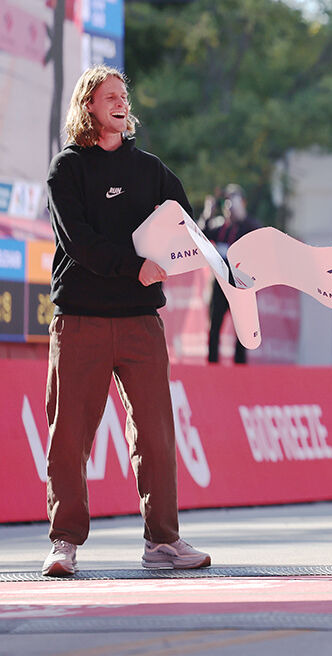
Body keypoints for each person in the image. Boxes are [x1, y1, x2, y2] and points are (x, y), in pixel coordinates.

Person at [41, 65, 211, 576]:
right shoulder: (66, 169)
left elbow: (186, 227)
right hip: (81, 320)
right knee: (69, 435)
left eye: (123, 95)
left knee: (156, 434)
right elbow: (82, 245)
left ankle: (163, 542)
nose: (120, 101)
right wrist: (136, 266)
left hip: (141, 321)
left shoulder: (152, 171)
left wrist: (200, 259)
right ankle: (64, 542)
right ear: (88, 106)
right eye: (108, 96)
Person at [203, 183, 260, 365]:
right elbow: (200, 234)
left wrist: (242, 216)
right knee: (214, 326)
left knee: (242, 329)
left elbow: (259, 233)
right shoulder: (220, 228)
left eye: (233, 203)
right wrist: (208, 213)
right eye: (226, 203)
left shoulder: (247, 226)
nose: (229, 208)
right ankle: (212, 365)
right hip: (220, 284)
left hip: (241, 285)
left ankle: (240, 367)